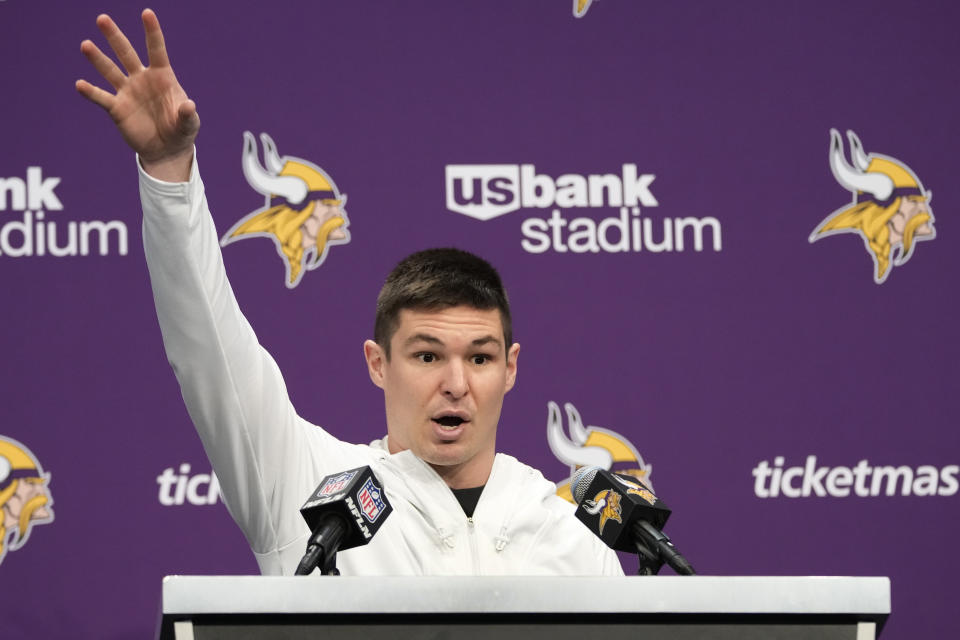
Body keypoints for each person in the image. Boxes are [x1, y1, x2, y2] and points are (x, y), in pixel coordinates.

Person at [77, 9, 622, 576]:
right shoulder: (310, 490)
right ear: (378, 363)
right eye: (427, 355)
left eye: (480, 358)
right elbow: (208, 352)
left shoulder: (571, 536)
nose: (456, 384)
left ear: (510, 369)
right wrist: (168, 171)